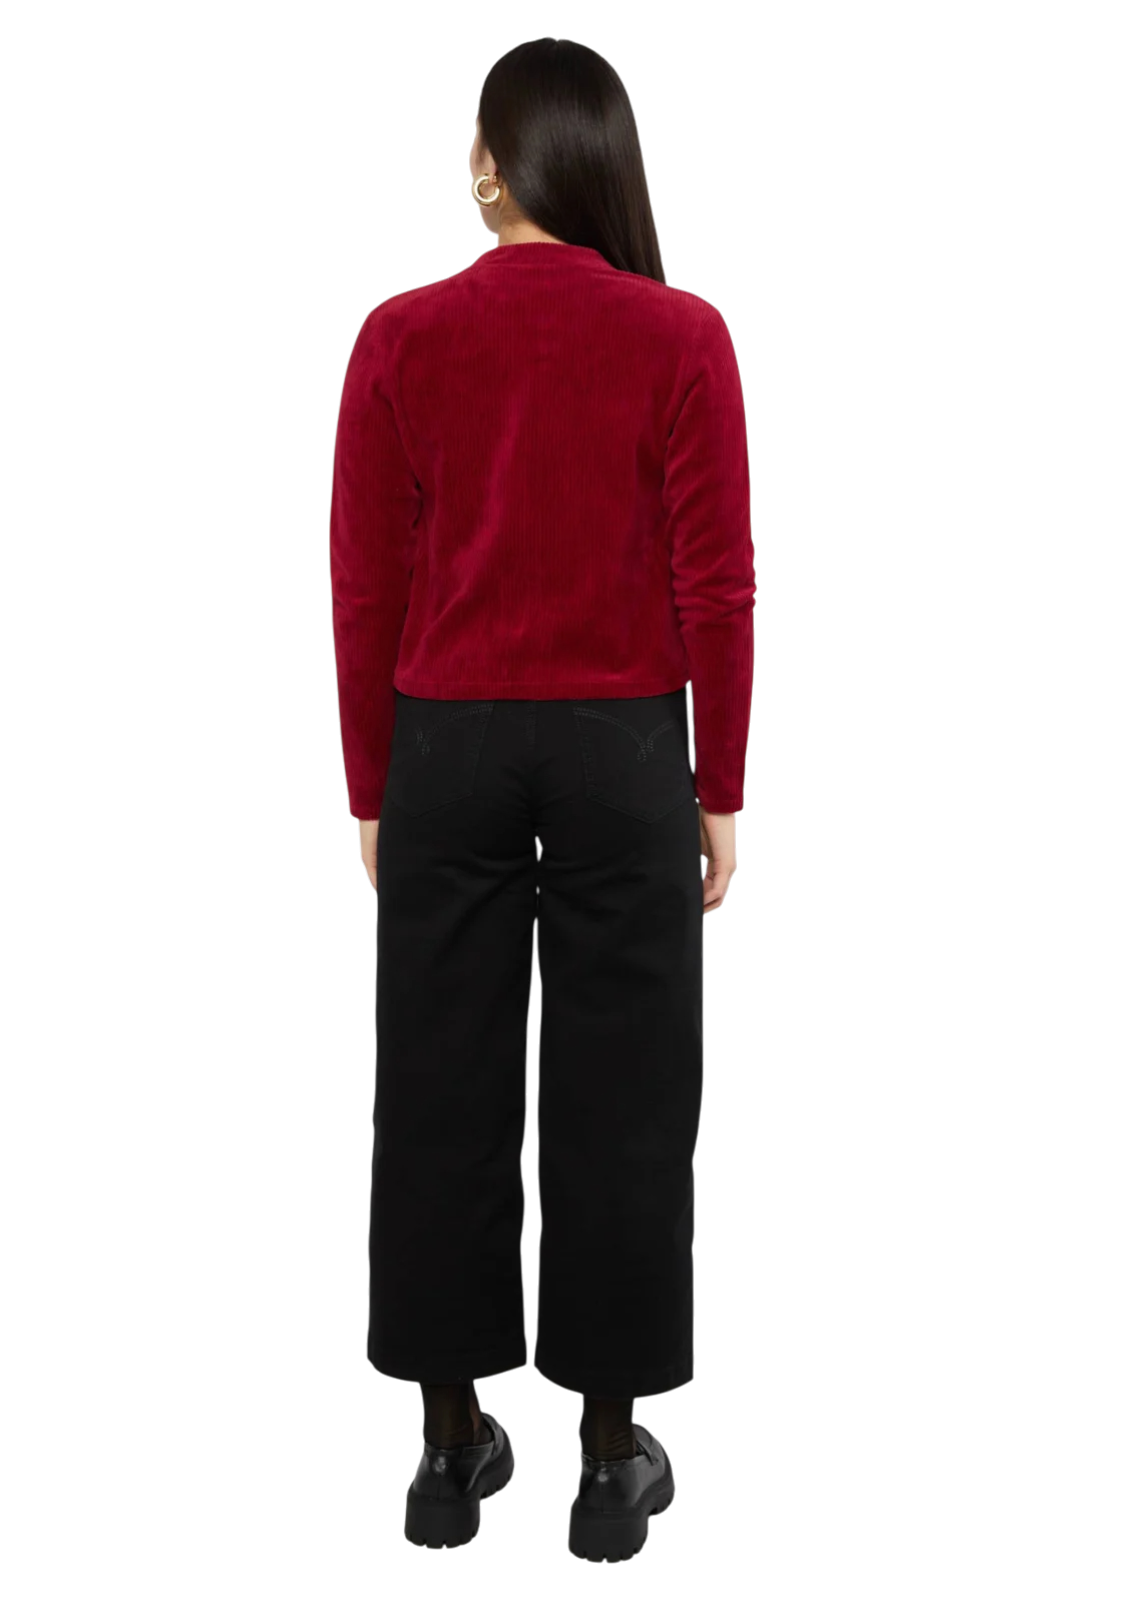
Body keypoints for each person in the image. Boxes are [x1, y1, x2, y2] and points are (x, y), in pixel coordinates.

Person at [329, 37, 754, 1561]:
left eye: (474, 140)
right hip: (625, 752)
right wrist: (718, 786)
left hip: (444, 750)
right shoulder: (683, 334)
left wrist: (371, 785)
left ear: (494, 167)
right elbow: (718, 583)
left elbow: (363, 582)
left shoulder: (398, 335)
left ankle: (446, 1457)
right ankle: (606, 1466)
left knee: (435, 1100)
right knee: (623, 1107)